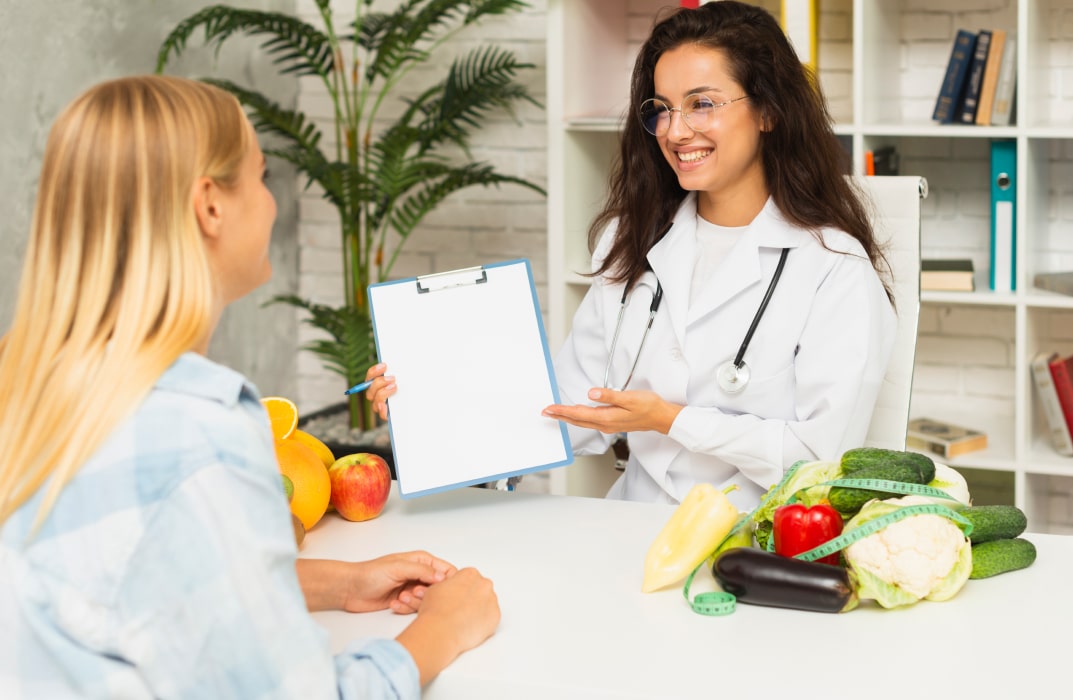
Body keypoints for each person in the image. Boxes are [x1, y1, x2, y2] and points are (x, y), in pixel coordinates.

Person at [0, 75, 498, 699]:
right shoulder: (197, 440)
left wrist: (339, 584)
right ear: (209, 204)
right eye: (262, 177)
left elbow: (126, 586)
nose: (271, 203)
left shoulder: (28, 394)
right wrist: (442, 631)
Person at [539, 1, 897, 509]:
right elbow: (571, 411)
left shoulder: (833, 267)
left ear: (769, 111)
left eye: (702, 103)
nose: (675, 130)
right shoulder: (631, 239)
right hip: (627, 525)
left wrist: (671, 420)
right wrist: (431, 406)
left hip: (753, 542)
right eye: (661, 108)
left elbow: (821, 457)